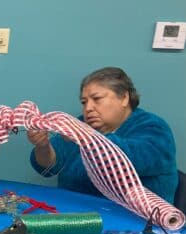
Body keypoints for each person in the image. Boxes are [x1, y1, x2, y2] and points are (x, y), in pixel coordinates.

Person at [28, 66, 178, 203]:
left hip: (134, 222)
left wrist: (85, 137)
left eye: (97, 99)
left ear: (124, 98)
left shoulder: (153, 127)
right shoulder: (81, 125)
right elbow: (50, 168)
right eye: (84, 102)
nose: (88, 108)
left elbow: (128, 161)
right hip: (74, 211)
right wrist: (43, 146)